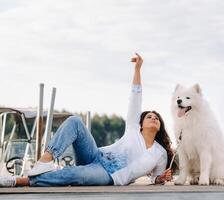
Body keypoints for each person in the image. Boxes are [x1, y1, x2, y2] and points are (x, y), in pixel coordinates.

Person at [0, 53, 174, 187]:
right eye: (149, 116)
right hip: (96, 155)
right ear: (140, 123)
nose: (153, 118)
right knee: (75, 121)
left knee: (77, 174)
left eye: (157, 118)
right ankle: (45, 160)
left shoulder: (160, 153)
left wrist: (161, 178)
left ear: (160, 127)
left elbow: (155, 178)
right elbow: (136, 96)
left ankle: (19, 181)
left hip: (109, 175)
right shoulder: (132, 128)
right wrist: (137, 70)